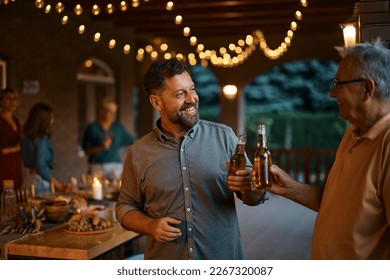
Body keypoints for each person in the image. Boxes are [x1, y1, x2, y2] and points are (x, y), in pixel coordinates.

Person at [115, 58, 267, 260]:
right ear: (156, 102)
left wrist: (251, 186)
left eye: (192, 89)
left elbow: (254, 197)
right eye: (180, 93)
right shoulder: (138, 152)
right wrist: (150, 225)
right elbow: (125, 207)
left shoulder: (225, 137)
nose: (191, 98)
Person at [261, 40, 390, 259]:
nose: (332, 93)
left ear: (367, 88)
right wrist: (289, 187)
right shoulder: (352, 134)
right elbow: (336, 203)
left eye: (339, 84)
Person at [82, 98, 134, 179]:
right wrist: (101, 147)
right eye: (110, 112)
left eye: (114, 112)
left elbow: (132, 140)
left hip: (115, 167)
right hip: (97, 166)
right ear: (102, 112)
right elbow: (86, 151)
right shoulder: (92, 128)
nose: (113, 115)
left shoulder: (118, 127)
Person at [20, 103, 64, 195]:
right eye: (51, 118)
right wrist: (57, 184)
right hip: (39, 182)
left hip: (27, 179)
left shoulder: (24, 136)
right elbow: (40, 166)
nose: (52, 121)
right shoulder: (40, 139)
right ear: (43, 120)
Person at [0, 87, 22, 194]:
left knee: (15, 195)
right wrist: (15, 148)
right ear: (1, 101)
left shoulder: (16, 121)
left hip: (16, 165)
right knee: (5, 196)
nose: (12, 102)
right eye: (9, 98)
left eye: (15, 99)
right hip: (3, 165)